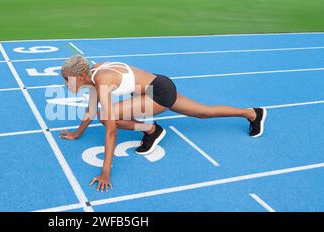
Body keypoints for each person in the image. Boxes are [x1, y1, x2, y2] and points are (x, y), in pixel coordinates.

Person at [58, 55, 267, 192]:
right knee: (204, 112)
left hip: (158, 93)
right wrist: (78, 133)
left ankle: (152, 130)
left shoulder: (102, 79)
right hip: (159, 83)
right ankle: (252, 113)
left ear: (82, 76)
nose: (65, 84)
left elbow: (111, 129)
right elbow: (91, 106)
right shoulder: (96, 73)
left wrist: (106, 170)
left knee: (107, 117)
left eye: (67, 79)